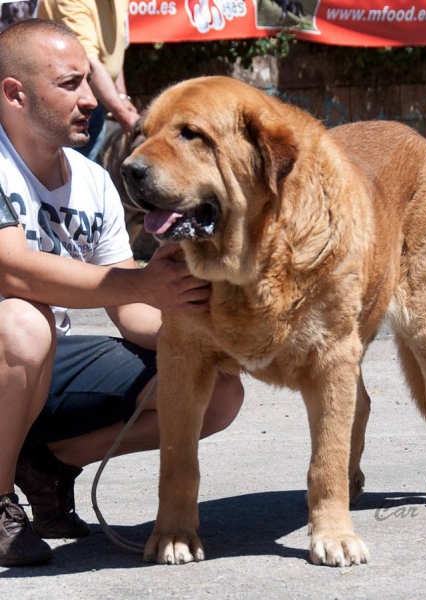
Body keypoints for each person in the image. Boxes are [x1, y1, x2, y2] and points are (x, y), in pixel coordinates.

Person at [0, 19, 244, 567]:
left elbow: (131, 310)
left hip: (33, 368)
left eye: (89, 81)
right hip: (14, 344)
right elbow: (10, 270)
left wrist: (217, 337)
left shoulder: (91, 181)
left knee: (215, 387)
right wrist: (140, 281)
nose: (90, 99)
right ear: (14, 94)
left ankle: (48, 467)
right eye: (69, 85)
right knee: (22, 321)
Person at [38, 0, 140, 161]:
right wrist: (123, 115)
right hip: (63, 106)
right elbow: (89, 62)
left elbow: (112, 56)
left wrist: (121, 96)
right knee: (61, 174)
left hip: (95, 101)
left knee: (84, 173)